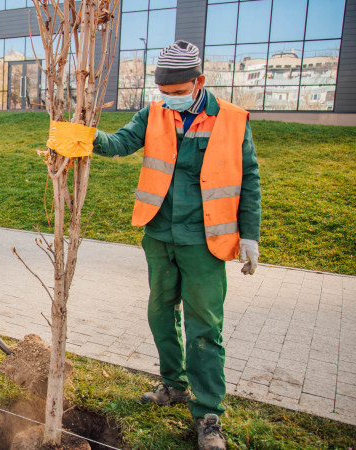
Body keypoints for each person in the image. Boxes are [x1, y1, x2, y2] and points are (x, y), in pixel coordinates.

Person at [92, 40, 261, 450]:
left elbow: (249, 179)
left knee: (204, 325)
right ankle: (174, 385)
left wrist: (250, 235)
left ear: (199, 81)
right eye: (163, 93)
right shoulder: (154, 112)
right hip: (159, 233)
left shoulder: (234, 120)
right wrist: (86, 135)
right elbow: (119, 144)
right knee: (160, 312)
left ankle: (207, 414)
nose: (169, 100)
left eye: (177, 92)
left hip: (207, 240)